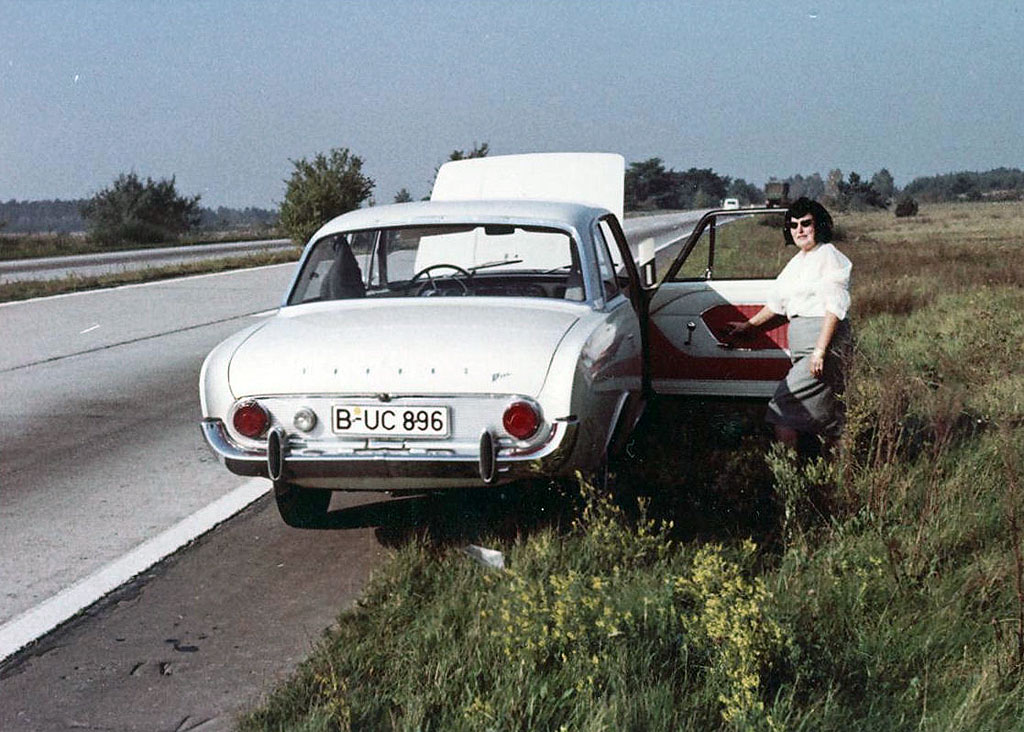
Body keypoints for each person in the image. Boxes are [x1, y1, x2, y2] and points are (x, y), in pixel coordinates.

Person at [726, 197, 852, 454]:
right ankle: (838, 471)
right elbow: (779, 307)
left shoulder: (828, 255)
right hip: (808, 350)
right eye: (794, 225)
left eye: (806, 223)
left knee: (782, 407)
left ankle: (788, 470)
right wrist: (749, 327)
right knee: (829, 418)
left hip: (821, 346)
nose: (799, 230)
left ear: (819, 225)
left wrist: (820, 351)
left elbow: (834, 307)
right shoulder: (798, 261)